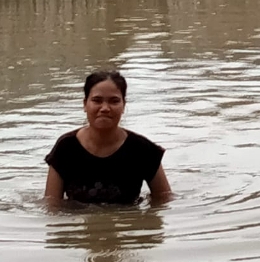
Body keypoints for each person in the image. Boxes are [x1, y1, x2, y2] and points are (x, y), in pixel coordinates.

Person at [45, 70, 172, 205]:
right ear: (85, 104)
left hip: (128, 223)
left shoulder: (143, 149)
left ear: (123, 106)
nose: (105, 108)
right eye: (97, 100)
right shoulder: (66, 148)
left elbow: (164, 199)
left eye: (114, 101)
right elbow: (51, 205)